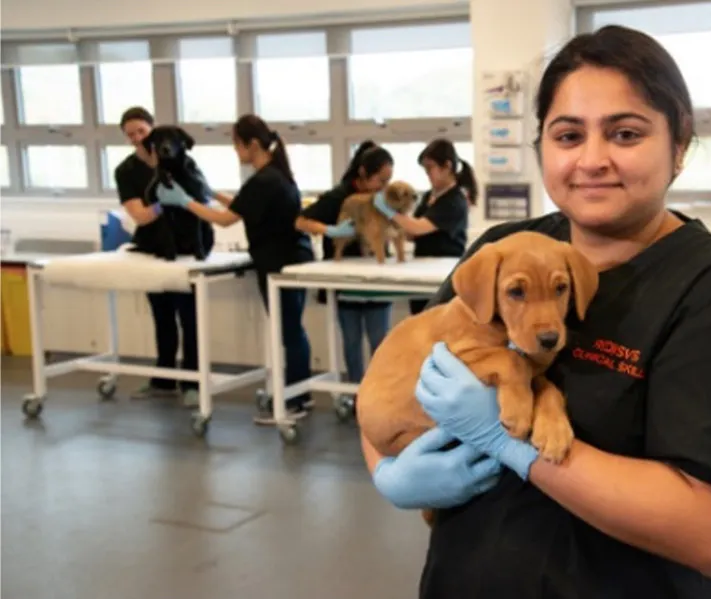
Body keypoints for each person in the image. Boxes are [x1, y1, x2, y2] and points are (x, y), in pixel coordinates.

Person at [359, 25, 711, 599]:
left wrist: (514, 447)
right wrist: (388, 473)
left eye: (625, 133)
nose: (592, 160)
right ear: (541, 146)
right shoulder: (502, 252)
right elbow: (393, 378)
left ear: (680, 145)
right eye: (568, 135)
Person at [155, 113, 316, 423]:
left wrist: (185, 201)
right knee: (292, 330)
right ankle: (299, 394)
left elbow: (225, 219)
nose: (235, 151)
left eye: (236, 144)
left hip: (279, 262)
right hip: (292, 257)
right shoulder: (275, 175)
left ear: (252, 144)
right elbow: (240, 205)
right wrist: (208, 192)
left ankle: (294, 400)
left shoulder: (265, 180)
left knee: (289, 331)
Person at [114, 106, 210, 408]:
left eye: (141, 132)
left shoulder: (185, 163)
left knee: (190, 317)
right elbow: (140, 216)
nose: (136, 139)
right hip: (154, 249)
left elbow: (202, 199)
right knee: (162, 316)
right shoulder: (127, 171)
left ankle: (192, 382)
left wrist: (186, 203)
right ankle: (164, 378)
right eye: (131, 135)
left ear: (153, 130)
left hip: (187, 252)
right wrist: (160, 206)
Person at [295, 141, 396, 412]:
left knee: (380, 340)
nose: (384, 187)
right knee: (351, 341)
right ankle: (356, 395)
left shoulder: (384, 199)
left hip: (375, 279)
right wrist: (330, 231)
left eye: (389, 181)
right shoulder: (340, 196)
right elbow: (301, 221)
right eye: (380, 180)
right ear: (363, 174)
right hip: (345, 278)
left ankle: (380, 397)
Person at [369, 138, 477, 315]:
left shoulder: (455, 200)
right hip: (422, 270)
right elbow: (412, 232)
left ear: (447, 166)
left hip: (442, 274)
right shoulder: (428, 196)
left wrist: (390, 212)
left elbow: (417, 227)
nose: (427, 174)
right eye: (425, 170)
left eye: (430, 169)